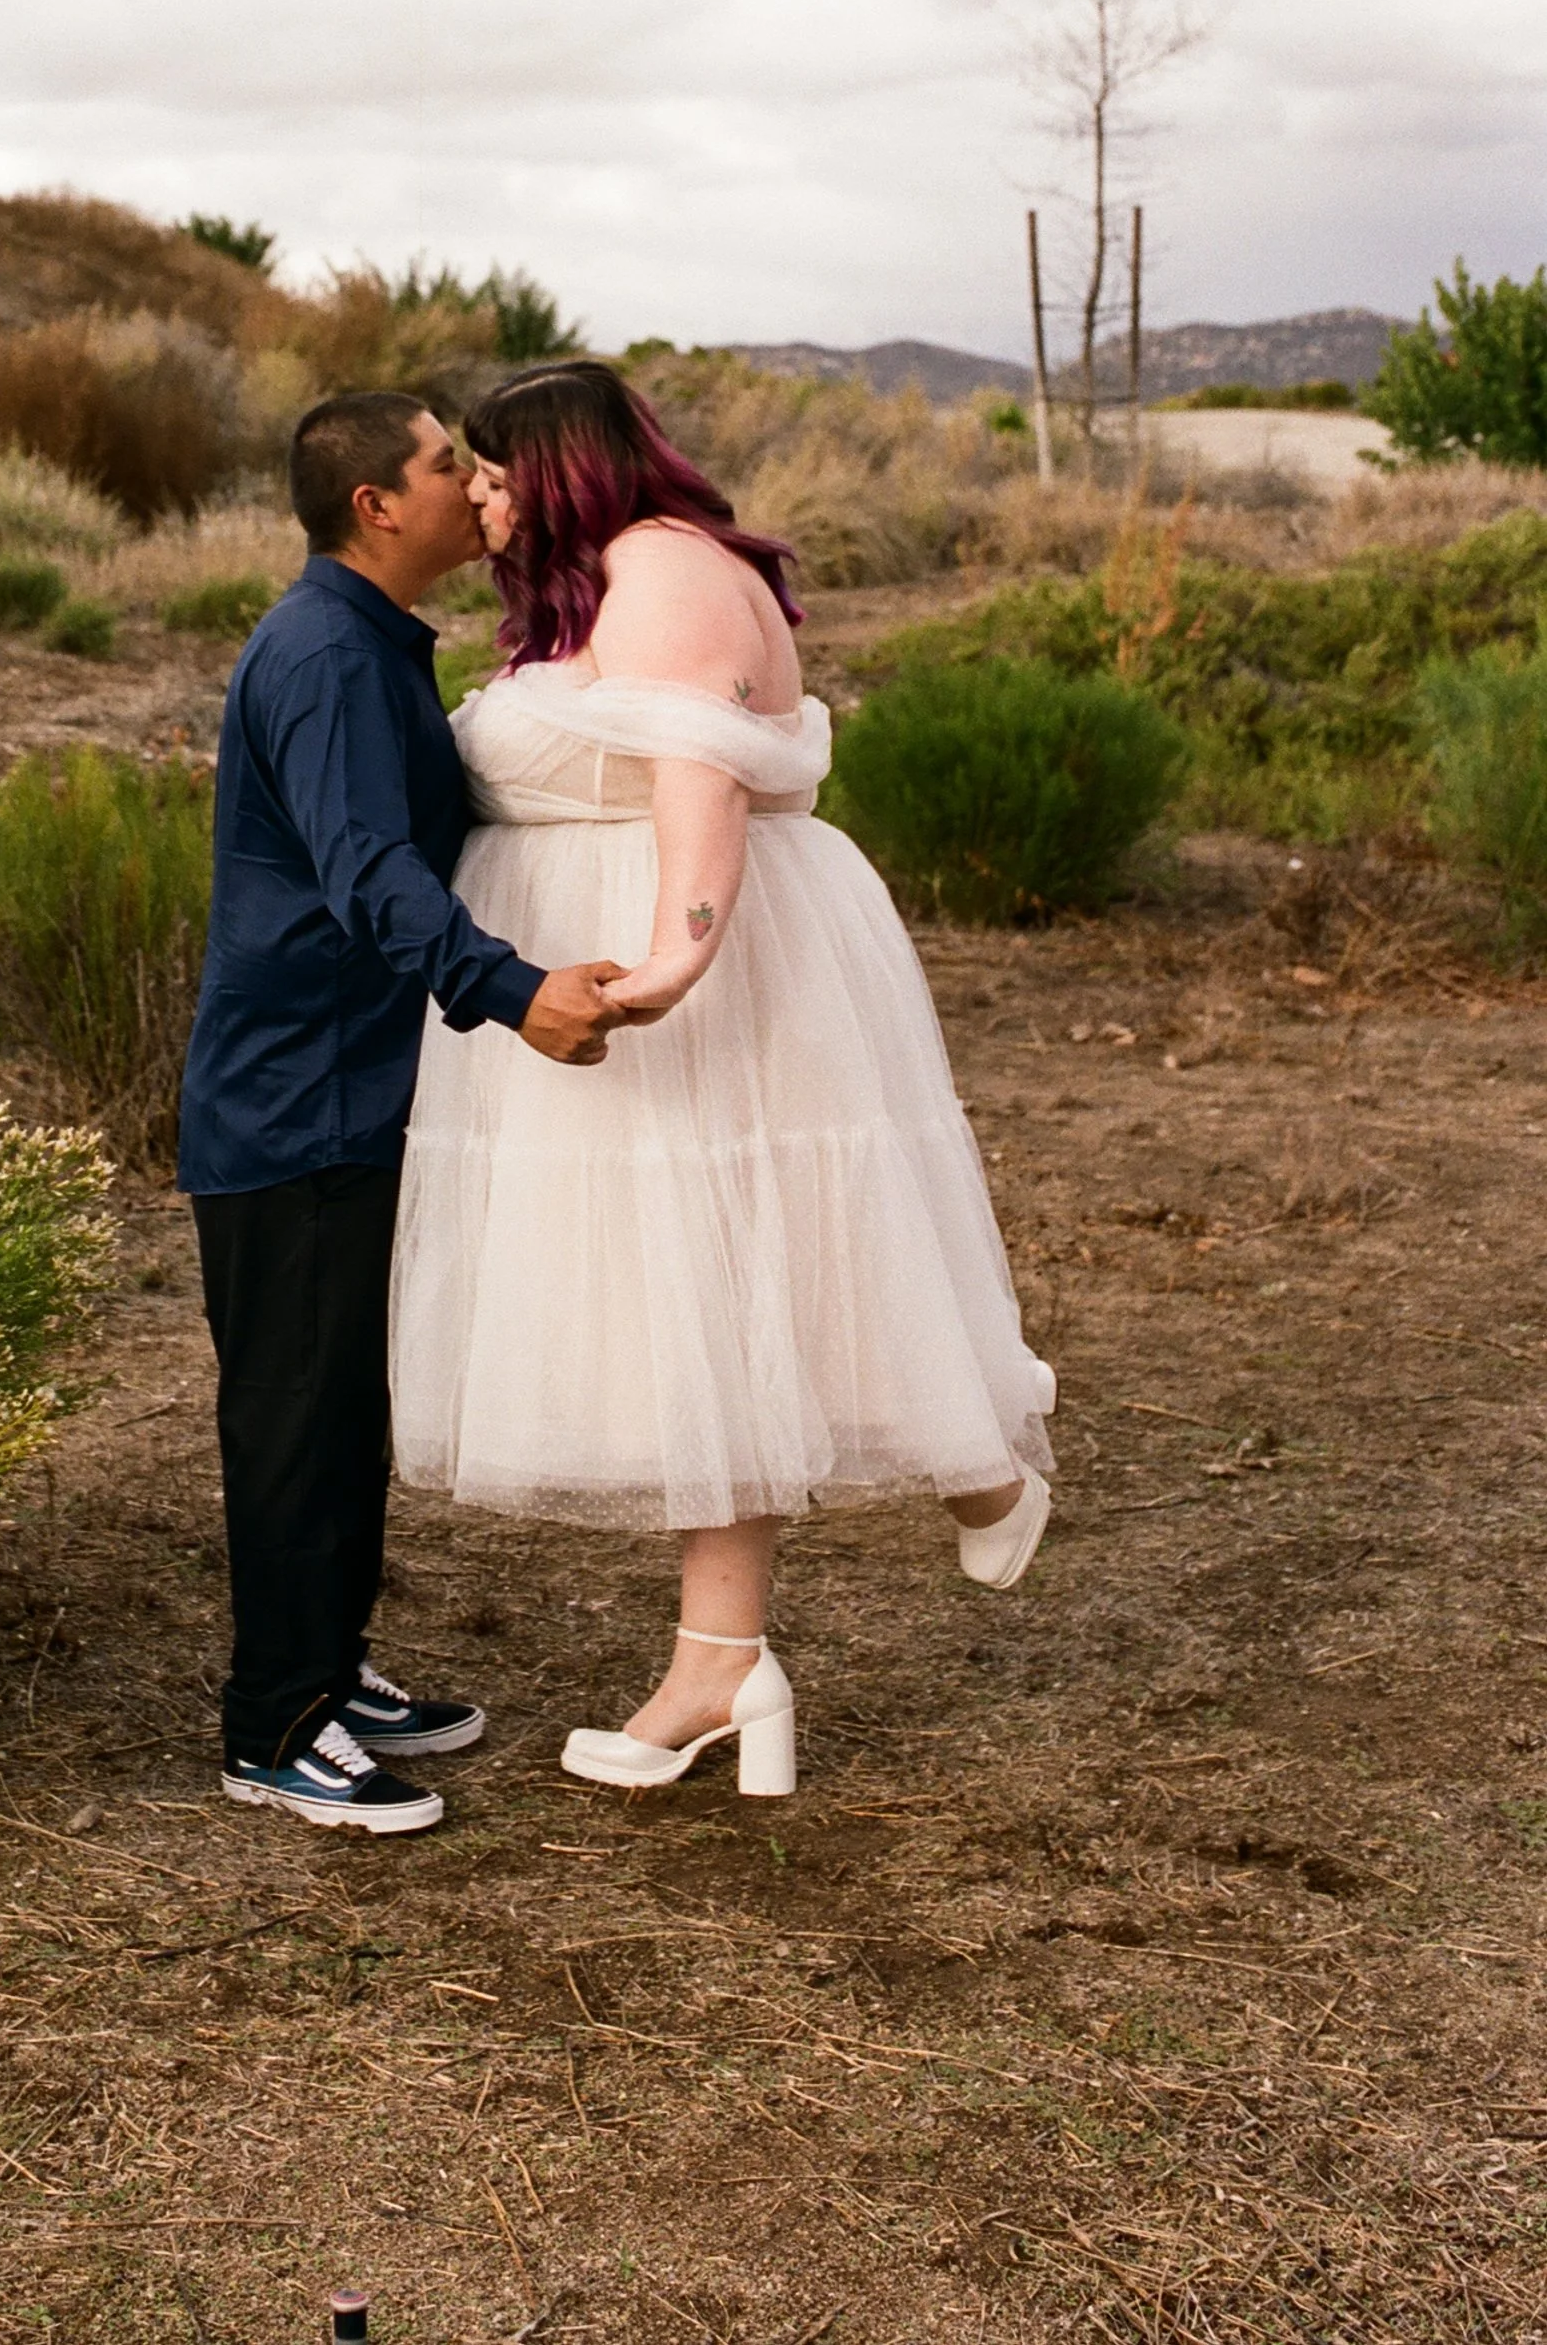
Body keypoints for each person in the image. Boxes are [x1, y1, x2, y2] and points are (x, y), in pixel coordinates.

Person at [388, 360, 1055, 1799]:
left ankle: (966, 1465)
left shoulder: (665, 576)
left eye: (500, 475)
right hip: (637, 978)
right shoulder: (620, 575)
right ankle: (733, 1655)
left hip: (693, 978)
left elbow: (699, 792)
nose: (484, 501)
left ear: (563, 467)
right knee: (713, 1315)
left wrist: (669, 966)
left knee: (738, 1289)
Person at [178, 389, 625, 1836]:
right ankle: (274, 1722)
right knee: (294, 1413)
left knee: (346, 1396)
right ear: (377, 501)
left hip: (354, 1092)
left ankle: (330, 1663)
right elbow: (372, 873)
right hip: (290, 1098)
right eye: (450, 465)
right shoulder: (322, 656)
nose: (474, 483)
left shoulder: (370, 644)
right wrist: (514, 991)